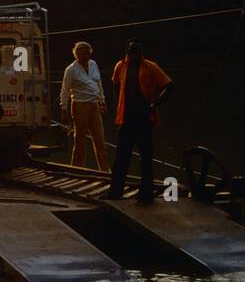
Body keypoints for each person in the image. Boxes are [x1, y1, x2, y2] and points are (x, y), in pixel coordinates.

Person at [106, 40, 173, 204]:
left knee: (146, 157)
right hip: (126, 118)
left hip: (144, 117)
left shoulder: (151, 66)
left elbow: (170, 86)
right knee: (121, 156)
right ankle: (115, 192)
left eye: (138, 52)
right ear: (127, 53)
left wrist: (154, 103)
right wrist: (118, 105)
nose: (135, 55)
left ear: (141, 53)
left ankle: (146, 194)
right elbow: (115, 84)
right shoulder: (120, 66)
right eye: (132, 52)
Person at [59, 40, 108, 170]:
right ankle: (77, 168)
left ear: (89, 53)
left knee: (99, 138)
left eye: (86, 53)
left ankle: (105, 169)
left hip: (94, 104)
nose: (84, 56)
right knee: (80, 140)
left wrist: (102, 101)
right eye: (80, 54)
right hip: (79, 105)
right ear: (76, 55)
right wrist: (64, 109)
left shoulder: (93, 64)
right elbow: (65, 91)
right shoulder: (71, 69)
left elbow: (99, 84)